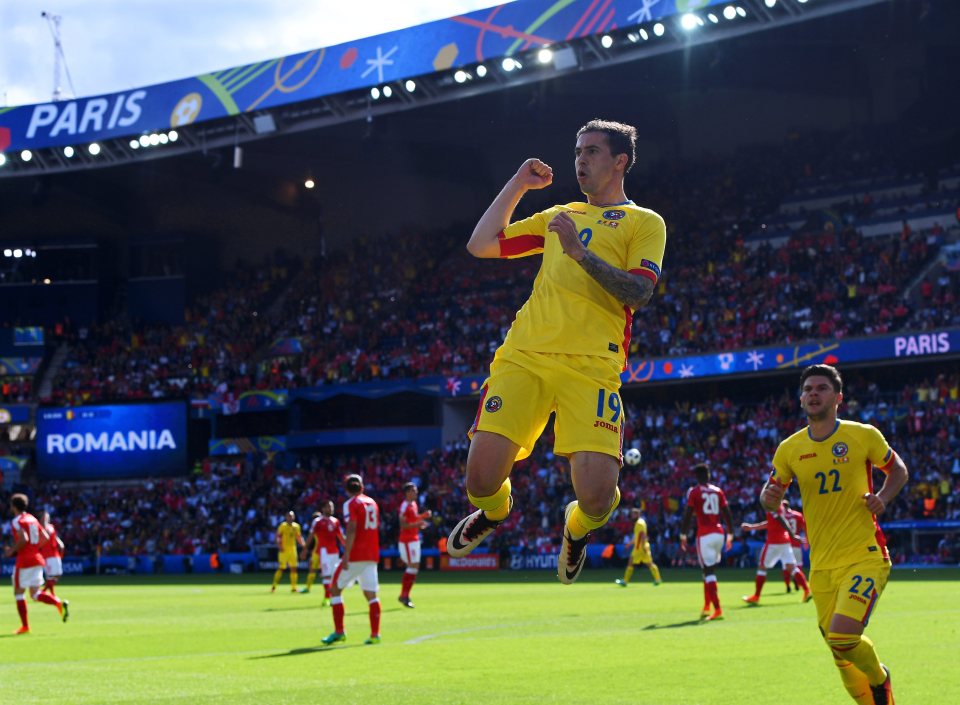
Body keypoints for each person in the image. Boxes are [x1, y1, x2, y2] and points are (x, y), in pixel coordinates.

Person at [446, 119, 667, 586]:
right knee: (480, 481)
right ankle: (495, 511)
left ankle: (576, 527)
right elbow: (481, 244)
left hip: (592, 367)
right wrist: (519, 184)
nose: (580, 160)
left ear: (619, 161)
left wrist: (581, 254)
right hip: (525, 355)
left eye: (592, 151)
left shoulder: (644, 223)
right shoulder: (558, 216)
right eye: (578, 151)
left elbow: (639, 293)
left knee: (597, 499)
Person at [760, 364, 908, 705]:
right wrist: (767, 498)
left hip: (864, 556)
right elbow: (772, 493)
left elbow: (898, 469)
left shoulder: (862, 435)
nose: (814, 393)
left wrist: (882, 498)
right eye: (808, 388)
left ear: (838, 398)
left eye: (822, 388)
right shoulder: (789, 449)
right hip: (822, 565)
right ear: (801, 398)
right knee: (837, 648)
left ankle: (880, 678)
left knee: (843, 635)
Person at [322, 474, 383, 646]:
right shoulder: (372, 503)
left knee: (334, 590)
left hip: (356, 554)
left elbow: (352, 529)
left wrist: (347, 554)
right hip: (371, 554)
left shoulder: (351, 503)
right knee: (371, 594)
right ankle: (375, 634)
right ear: (362, 487)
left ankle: (339, 631)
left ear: (347, 489)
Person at [679, 463, 735, 621]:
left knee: (709, 572)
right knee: (707, 571)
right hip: (719, 533)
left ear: (697, 477)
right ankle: (706, 606)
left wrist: (683, 534)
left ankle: (717, 609)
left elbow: (688, 514)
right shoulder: (718, 491)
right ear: (708, 475)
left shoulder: (694, 492)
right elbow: (727, 513)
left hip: (704, 535)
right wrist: (730, 534)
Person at [5, 494, 67, 634]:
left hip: (24, 560)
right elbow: (45, 537)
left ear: (14, 506)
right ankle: (58, 603)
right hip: (37, 558)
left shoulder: (17, 521)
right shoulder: (32, 519)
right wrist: (34, 549)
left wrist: (11, 551)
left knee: (19, 593)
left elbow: (24, 538)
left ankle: (25, 626)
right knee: (35, 594)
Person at [740, 500, 811, 604]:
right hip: (785, 541)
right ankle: (806, 590)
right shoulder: (781, 506)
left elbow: (780, 520)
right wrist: (753, 527)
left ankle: (756, 596)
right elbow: (773, 522)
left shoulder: (773, 504)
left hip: (774, 541)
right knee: (792, 568)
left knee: (762, 567)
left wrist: (793, 535)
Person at [300, 501, 345, 603]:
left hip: (334, 552)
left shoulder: (336, 521)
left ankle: (333, 598)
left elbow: (341, 537)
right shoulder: (317, 521)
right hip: (324, 551)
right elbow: (311, 536)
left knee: (334, 576)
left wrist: (348, 547)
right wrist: (305, 550)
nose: (331, 509)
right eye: (329, 507)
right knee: (326, 575)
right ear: (323, 508)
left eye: (332, 507)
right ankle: (327, 598)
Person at [397, 481, 432, 608]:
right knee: (413, 567)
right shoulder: (404, 506)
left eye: (416, 490)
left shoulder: (413, 504)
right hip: (407, 540)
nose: (416, 492)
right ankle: (404, 595)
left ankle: (404, 595)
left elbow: (414, 519)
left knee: (414, 567)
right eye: (413, 490)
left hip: (414, 539)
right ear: (407, 492)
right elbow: (403, 525)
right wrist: (418, 524)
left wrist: (423, 517)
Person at [615, 507, 661, 587]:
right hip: (642, 546)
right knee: (649, 563)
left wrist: (643, 547)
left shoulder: (639, 523)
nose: (631, 516)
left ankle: (625, 581)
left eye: (633, 514)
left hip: (639, 548)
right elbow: (638, 536)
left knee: (631, 562)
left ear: (637, 514)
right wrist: (630, 544)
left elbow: (643, 535)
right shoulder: (640, 522)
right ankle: (658, 579)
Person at [271, 510, 304, 593]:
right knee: (281, 568)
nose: (290, 517)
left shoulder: (296, 526)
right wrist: (279, 546)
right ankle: (274, 586)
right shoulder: (282, 526)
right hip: (284, 549)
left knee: (294, 568)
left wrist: (304, 545)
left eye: (292, 516)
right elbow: (278, 536)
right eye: (289, 516)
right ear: (286, 517)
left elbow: (299, 537)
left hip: (293, 549)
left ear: (294, 517)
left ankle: (294, 587)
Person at [783, 498, 808, 591]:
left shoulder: (781, 516)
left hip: (785, 544)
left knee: (786, 566)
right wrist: (806, 541)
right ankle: (799, 583)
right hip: (796, 543)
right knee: (798, 565)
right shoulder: (798, 515)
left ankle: (788, 585)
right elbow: (804, 528)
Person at [39, 511, 66, 596]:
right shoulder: (40, 528)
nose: (46, 518)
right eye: (44, 517)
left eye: (47, 517)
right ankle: (49, 594)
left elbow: (54, 536)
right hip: (47, 555)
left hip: (55, 553)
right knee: (50, 576)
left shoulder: (51, 527)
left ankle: (44, 592)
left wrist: (60, 542)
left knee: (58, 574)